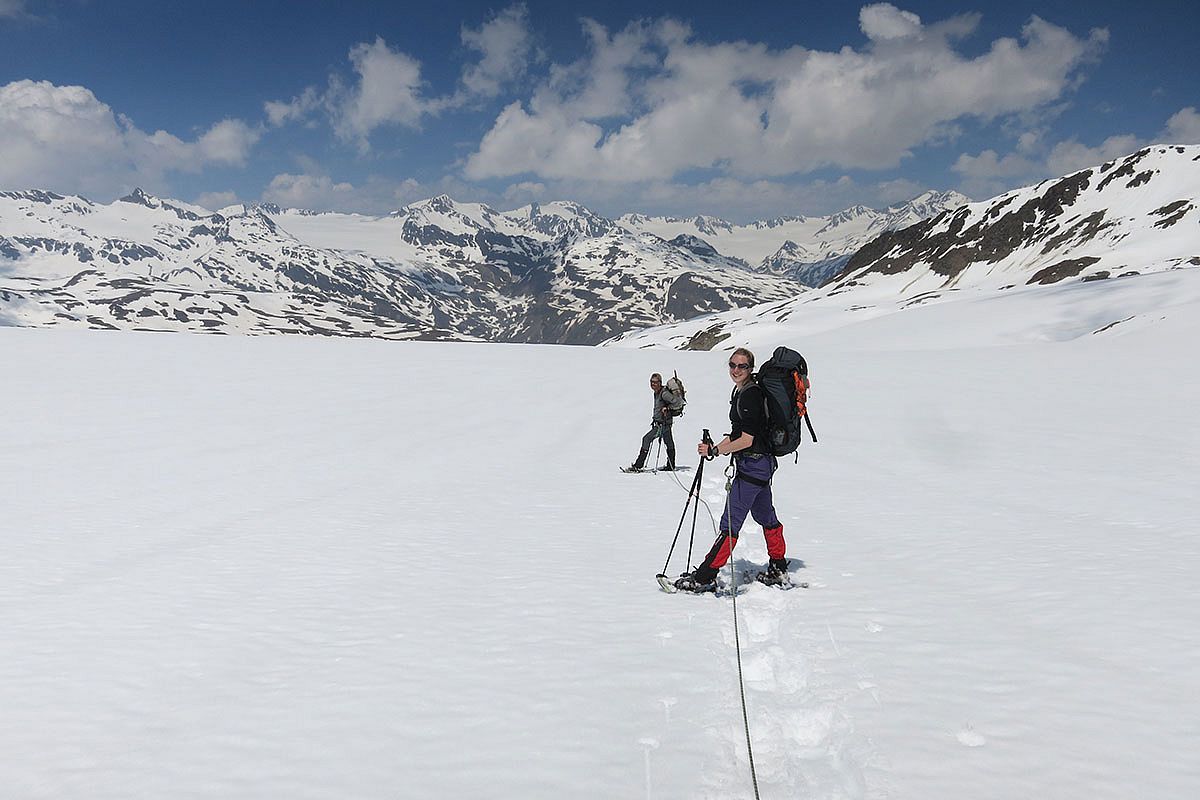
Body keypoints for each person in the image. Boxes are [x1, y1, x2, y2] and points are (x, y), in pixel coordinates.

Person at [675, 348, 789, 591]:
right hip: (760, 464)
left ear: (751, 368)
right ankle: (778, 568)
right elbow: (739, 434)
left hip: (753, 465)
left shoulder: (750, 395)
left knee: (730, 523)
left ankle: (705, 576)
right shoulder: (742, 391)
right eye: (732, 365)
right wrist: (716, 448)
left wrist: (717, 451)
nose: (736, 370)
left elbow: (747, 439)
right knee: (765, 516)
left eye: (742, 366)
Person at [628, 373, 677, 471]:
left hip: (662, 424)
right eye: (651, 382)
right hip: (664, 423)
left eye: (655, 382)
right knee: (669, 443)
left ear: (660, 382)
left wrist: (667, 408)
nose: (652, 384)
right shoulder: (657, 392)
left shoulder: (664, 393)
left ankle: (638, 465)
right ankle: (671, 465)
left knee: (646, 439)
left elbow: (677, 402)